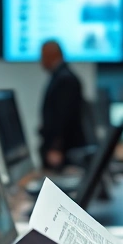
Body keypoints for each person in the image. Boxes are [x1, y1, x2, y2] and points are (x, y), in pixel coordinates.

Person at [38, 40, 88, 171]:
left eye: (42, 56)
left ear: (52, 55)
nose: (40, 60)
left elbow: (63, 117)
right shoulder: (61, 76)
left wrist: (56, 148)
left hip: (65, 151)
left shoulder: (65, 79)